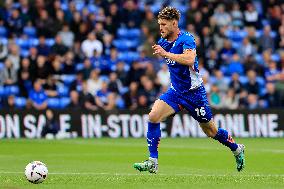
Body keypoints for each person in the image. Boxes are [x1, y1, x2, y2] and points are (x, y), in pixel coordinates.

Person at [133, 7, 245, 174]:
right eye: (159, 24)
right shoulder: (163, 42)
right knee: (153, 116)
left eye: (163, 24)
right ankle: (152, 161)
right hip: (176, 92)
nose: (161, 28)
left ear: (174, 23)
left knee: (211, 131)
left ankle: (236, 148)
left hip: (195, 94)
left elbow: (189, 59)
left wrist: (167, 54)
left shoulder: (187, 39)